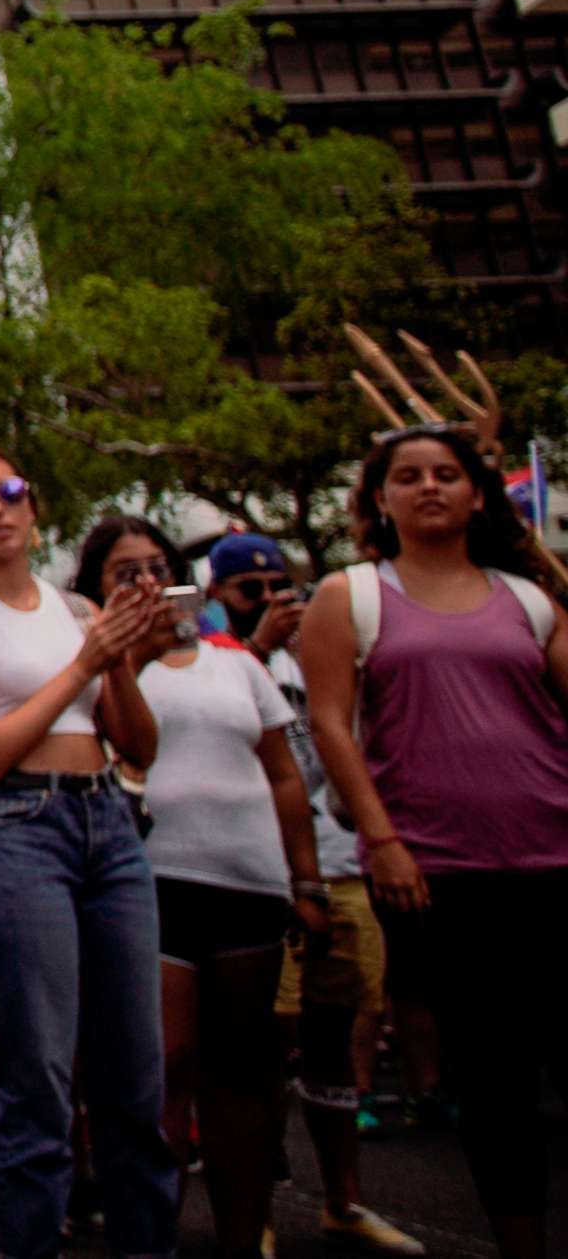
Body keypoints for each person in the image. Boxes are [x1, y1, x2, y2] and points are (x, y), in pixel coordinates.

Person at [299, 424, 568, 1259]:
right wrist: (382, 840)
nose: (428, 488)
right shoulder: (351, 595)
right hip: (442, 870)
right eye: (407, 476)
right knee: (496, 1083)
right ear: (379, 499)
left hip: (554, 856)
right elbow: (330, 725)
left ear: (477, 493)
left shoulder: (528, 597)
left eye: (447, 474)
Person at [0, 446, 176, 1259]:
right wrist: (86, 664)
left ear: (33, 509)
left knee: (137, 1085)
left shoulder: (75, 608)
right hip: (18, 828)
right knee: (39, 1087)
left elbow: (137, 745)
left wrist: (118, 660)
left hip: (108, 822)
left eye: (12, 491)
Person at [72, 518, 322, 1259]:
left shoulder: (235, 660)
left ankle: (243, 1237)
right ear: (96, 589)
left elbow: (282, 772)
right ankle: (151, 1237)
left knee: (246, 1071)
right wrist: (127, 655)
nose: (146, 582)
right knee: (164, 1064)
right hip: (147, 881)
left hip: (249, 880)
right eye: (125, 572)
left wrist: (305, 877)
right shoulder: (90, 662)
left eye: (158, 566)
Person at [207, 532, 422, 1255]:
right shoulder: (215, 660)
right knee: (261, 1048)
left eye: (281, 588)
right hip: (259, 877)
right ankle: (253, 1211)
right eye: (250, 592)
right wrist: (258, 648)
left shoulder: (322, 650)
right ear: (217, 596)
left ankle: (344, 1200)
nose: (271, 602)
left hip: (344, 862)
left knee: (338, 1036)